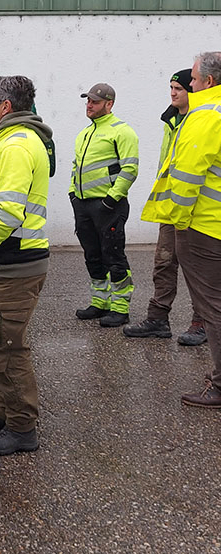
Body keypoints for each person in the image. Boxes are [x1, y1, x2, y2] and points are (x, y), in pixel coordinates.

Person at [142, 51, 221, 408]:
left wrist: (177, 219)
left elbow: (188, 177)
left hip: (203, 225)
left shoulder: (204, 116)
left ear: (208, 81)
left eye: (191, 78)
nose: (189, 84)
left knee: (212, 307)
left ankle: (219, 384)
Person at [0, 76, 52, 455]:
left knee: (7, 346)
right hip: (14, 262)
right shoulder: (16, 141)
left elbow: (7, 212)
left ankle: (22, 427)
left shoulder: (16, 146)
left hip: (14, 264)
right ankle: (6, 412)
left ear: (5, 106)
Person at [125, 69, 207, 346]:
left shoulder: (204, 119)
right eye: (171, 87)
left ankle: (201, 323)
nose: (173, 93)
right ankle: (158, 319)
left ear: (193, 91)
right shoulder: (171, 121)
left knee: (197, 270)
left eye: (179, 88)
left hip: (198, 209)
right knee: (163, 263)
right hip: (172, 206)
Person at [70, 83, 140, 327]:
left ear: (109, 104)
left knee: (114, 256)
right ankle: (100, 303)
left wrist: (111, 199)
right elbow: (76, 167)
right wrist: (73, 195)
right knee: (93, 256)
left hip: (109, 207)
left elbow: (130, 169)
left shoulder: (122, 131)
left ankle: (120, 308)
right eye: (88, 101)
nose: (89, 105)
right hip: (84, 206)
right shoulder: (85, 133)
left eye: (95, 102)